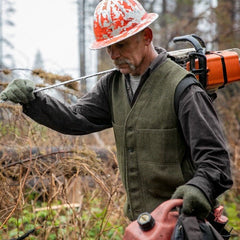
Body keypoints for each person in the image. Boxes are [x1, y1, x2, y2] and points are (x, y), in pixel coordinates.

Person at [0, 0, 232, 222]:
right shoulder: (112, 85)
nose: (113, 54)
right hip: (141, 223)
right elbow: (77, 119)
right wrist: (33, 101)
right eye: (108, 47)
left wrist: (199, 188)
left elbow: (216, 160)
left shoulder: (183, 88)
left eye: (121, 44)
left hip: (185, 221)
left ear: (146, 37)